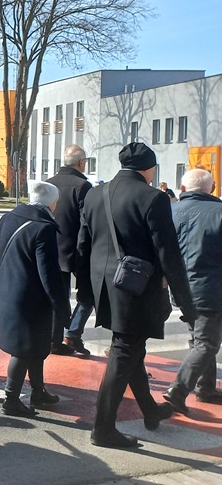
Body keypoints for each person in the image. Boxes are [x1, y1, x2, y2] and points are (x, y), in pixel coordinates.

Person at [78, 142, 195, 448]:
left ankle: (150, 410)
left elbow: (83, 245)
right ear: (150, 168)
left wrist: (85, 291)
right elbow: (168, 252)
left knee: (131, 348)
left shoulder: (95, 194)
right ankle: (103, 427)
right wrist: (185, 302)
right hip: (135, 286)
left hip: (103, 285)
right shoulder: (153, 197)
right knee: (125, 349)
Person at [0, 181, 71, 417]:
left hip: (7, 289)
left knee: (36, 345)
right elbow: (49, 274)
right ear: (52, 203)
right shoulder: (44, 228)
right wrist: (62, 307)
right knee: (24, 349)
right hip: (30, 297)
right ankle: (11, 399)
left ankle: (38, 391)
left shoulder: (8, 218)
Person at [163, 169, 222, 414]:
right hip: (210, 288)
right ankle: (177, 391)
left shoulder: (170, 212)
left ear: (182, 188)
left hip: (180, 288)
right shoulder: (219, 212)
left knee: (199, 339)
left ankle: (206, 387)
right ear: (213, 187)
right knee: (207, 343)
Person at [45, 145, 94, 357]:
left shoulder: (49, 183)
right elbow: (86, 222)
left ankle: (53, 339)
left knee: (57, 296)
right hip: (75, 249)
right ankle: (71, 334)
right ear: (81, 163)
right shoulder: (83, 186)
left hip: (48, 246)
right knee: (88, 294)